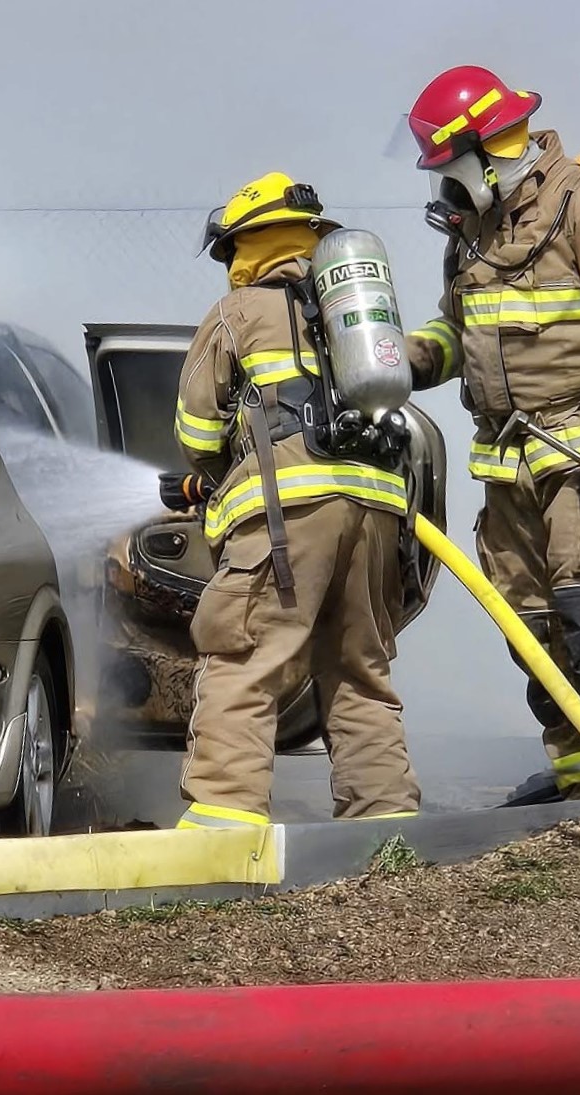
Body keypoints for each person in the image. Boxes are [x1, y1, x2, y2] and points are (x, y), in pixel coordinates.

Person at [403, 65, 580, 798]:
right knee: (532, 626)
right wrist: (398, 364)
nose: (443, 185)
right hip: (512, 460)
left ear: (484, 151)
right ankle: (577, 784)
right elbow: (460, 327)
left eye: (447, 165)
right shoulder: (476, 234)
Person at [165, 171, 421, 829]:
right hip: (378, 510)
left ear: (246, 245)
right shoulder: (352, 316)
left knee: (245, 657)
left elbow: (195, 428)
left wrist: (212, 468)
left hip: (289, 516)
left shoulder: (237, 312)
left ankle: (224, 822)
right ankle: (384, 826)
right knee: (359, 672)